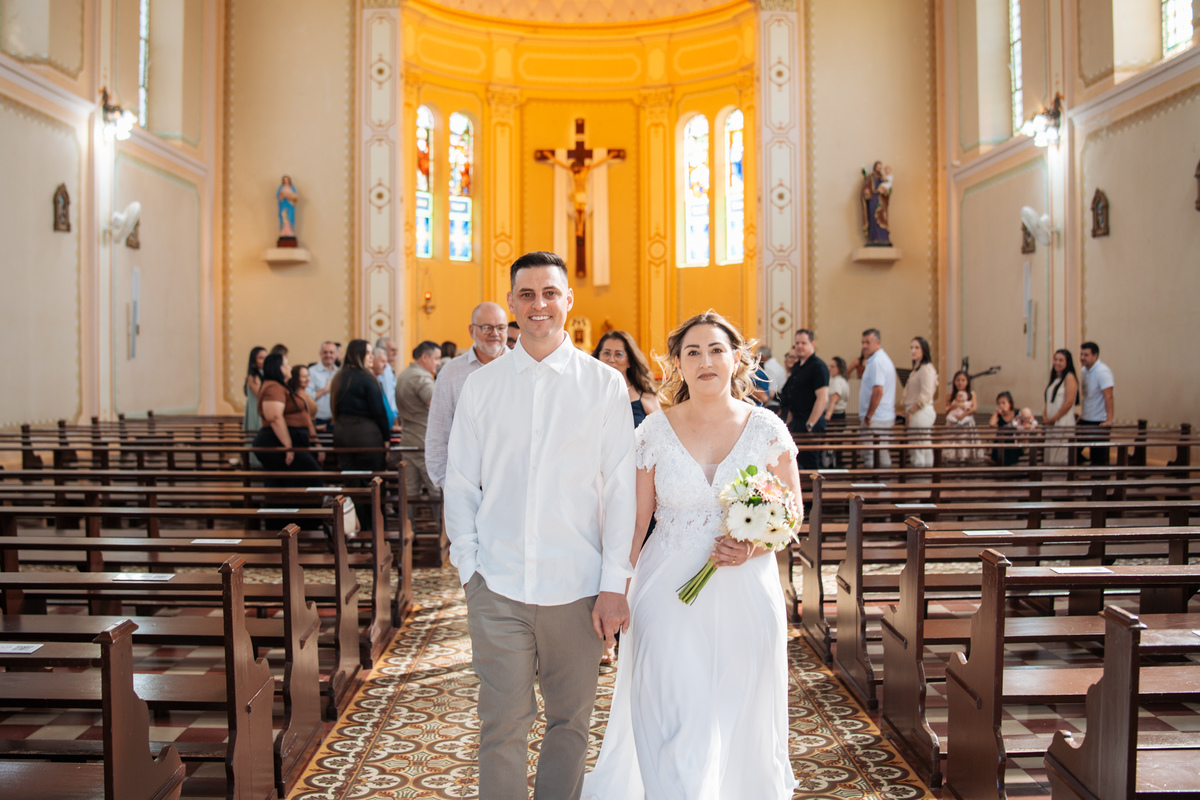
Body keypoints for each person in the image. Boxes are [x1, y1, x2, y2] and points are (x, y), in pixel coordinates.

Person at [582, 310, 800, 800]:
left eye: (716, 350)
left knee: (740, 709)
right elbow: (635, 522)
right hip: (666, 588)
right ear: (677, 364)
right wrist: (614, 592)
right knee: (674, 707)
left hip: (746, 591)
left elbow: (792, 513)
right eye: (693, 352)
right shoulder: (652, 432)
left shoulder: (766, 428)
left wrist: (753, 545)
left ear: (736, 359)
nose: (706, 361)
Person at [445, 251, 635, 800]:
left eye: (549, 293)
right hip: (497, 584)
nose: (539, 305)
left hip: (577, 588)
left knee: (570, 724)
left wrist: (613, 584)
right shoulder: (482, 387)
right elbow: (461, 483)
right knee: (501, 724)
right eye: (526, 294)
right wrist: (469, 570)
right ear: (511, 303)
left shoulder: (603, 385)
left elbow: (621, 491)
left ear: (568, 300)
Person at [426, 302, 509, 491]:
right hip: (465, 484)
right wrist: (446, 484)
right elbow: (438, 433)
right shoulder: (451, 373)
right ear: (472, 330)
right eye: (487, 327)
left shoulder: (522, 368)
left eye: (501, 327)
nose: (495, 333)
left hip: (512, 485)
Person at [253, 352, 322, 485]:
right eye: (287, 365)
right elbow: (274, 417)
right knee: (312, 476)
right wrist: (288, 446)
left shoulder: (277, 386)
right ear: (278, 367)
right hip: (276, 441)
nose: (290, 367)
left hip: (285, 440)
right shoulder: (273, 387)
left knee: (286, 482)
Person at [330, 339, 390, 479]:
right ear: (358, 354)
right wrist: (386, 438)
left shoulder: (338, 377)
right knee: (373, 479)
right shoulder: (367, 378)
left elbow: (334, 407)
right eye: (368, 353)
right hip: (365, 435)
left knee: (350, 479)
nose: (371, 357)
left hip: (341, 433)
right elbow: (379, 412)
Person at [396, 340, 441, 498]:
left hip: (408, 438)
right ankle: (438, 516)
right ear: (424, 357)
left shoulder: (404, 374)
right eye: (436, 358)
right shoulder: (421, 378)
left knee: (410, 490)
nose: (438, 363)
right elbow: (437, 403)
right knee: (436, 489)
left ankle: (409, 516)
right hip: (423, 439)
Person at [779, 329, 828, 471]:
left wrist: (810, 424)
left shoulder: (818, 366)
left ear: (812, 344)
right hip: (797, 421)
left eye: (803, 343)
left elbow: (822, 398)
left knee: (809, 462)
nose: (799, 346)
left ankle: (812, 486)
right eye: (797, 343)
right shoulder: (797, 366)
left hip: (810, 422)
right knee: (796, 462)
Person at [594, 330, 661, 428]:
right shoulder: (588, 393)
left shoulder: (645, 396)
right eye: (606, 353)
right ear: (598, 357)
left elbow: (660, 431)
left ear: (629, 361)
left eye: (619, 354)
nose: (611, 359)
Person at [851, 328, 896, 467]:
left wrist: (869, 416)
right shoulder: (878, 360)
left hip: (876, 418)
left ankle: (877, 479)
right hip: (879, 417)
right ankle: (881, 478)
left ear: (877, 343)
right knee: (878, 452)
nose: (864, 346)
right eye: (862, 342)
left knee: (872, 454)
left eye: (867, 342)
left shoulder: (877, 362)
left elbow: (878, 391)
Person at [903, 337, 938, 468]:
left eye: (917, 347)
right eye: (911, 347)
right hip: (916, 410)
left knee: (918, 448)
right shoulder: (918, 369)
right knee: (921, 446)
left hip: (920, 411)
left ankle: (920, 475)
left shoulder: (926, 368)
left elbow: (926, 393)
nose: (913, 350)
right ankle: (924, 474)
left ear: (924, 350)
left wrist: (911, 411)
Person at [1078, 341, 1114, 465]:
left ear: (1095, 355)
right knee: (1074, 451)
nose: (1082, 357)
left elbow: (1109, 396)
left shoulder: (1102, 371)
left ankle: (1099, 476)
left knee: (1098, 456)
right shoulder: (1083, 371)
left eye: (1086, 355)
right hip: (1086, 418)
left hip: (1099, 420)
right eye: (1081, 354)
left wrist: (1109, 420)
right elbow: (1087, 396)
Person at [1043, 348, 1078, 466]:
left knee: (1060, 455)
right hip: (1052, 423)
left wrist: (1054, 418)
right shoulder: (1055, 378)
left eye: (1061, 360)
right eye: (1055, 359)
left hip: (1062, 422)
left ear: (1067, 362)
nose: (1057, 362)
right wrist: (1045, 415)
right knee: (1051, 453)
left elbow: (1069, 402)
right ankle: (1049, 476)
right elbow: (1048, 400)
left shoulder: (1069, 377)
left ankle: (1059, 477)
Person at [944, 369, 982, 463]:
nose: (960, 382)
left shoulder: (971, 394)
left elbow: (974, 408)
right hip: (953, 423)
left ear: (967, 382)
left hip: (966, 424)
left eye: (963, 380)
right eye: (958, 380)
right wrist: (955, 405)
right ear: (954, 381)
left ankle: (965, 460)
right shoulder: (950, 395)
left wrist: (963, 415)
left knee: (964, 441)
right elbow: (946, 410)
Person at [307, 341, 338, 431]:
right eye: (325, 352)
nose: (328, 355)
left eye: (331, 352)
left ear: (336, 354)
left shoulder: (339, 372)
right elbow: (307, 397)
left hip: (336, 421)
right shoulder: (312, 371)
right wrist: (325, 390)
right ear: (320, 354)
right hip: (318, 421)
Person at [989, 391, 1021, 466]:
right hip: (1001, 441)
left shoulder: (1017, 413)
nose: (1001, 405)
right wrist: (996, 412)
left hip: (1013, 440)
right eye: (999, 403)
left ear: (1010, 403)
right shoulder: (999, 415)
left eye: (1003, 403)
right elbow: (992, 424)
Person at [371, 344, 399, 430]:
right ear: (372, 361)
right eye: (382, 361)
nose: (385, 365)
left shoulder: (378, 380)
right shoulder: (370, 383)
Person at [374, 337, 399, 417]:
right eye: (392, 350)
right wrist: (393, 415)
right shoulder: (385, 368)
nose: (395, 353)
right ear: (382, 349)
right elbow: (388, 395)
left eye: (396, 350)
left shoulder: (387, 367)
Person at [243, 346, 266, 433]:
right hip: (256, 410)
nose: (264, 361)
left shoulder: (265, 374)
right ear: (254, 360)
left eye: (266, 358)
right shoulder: (252, 377)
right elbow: (260, 395)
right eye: (261, 358)